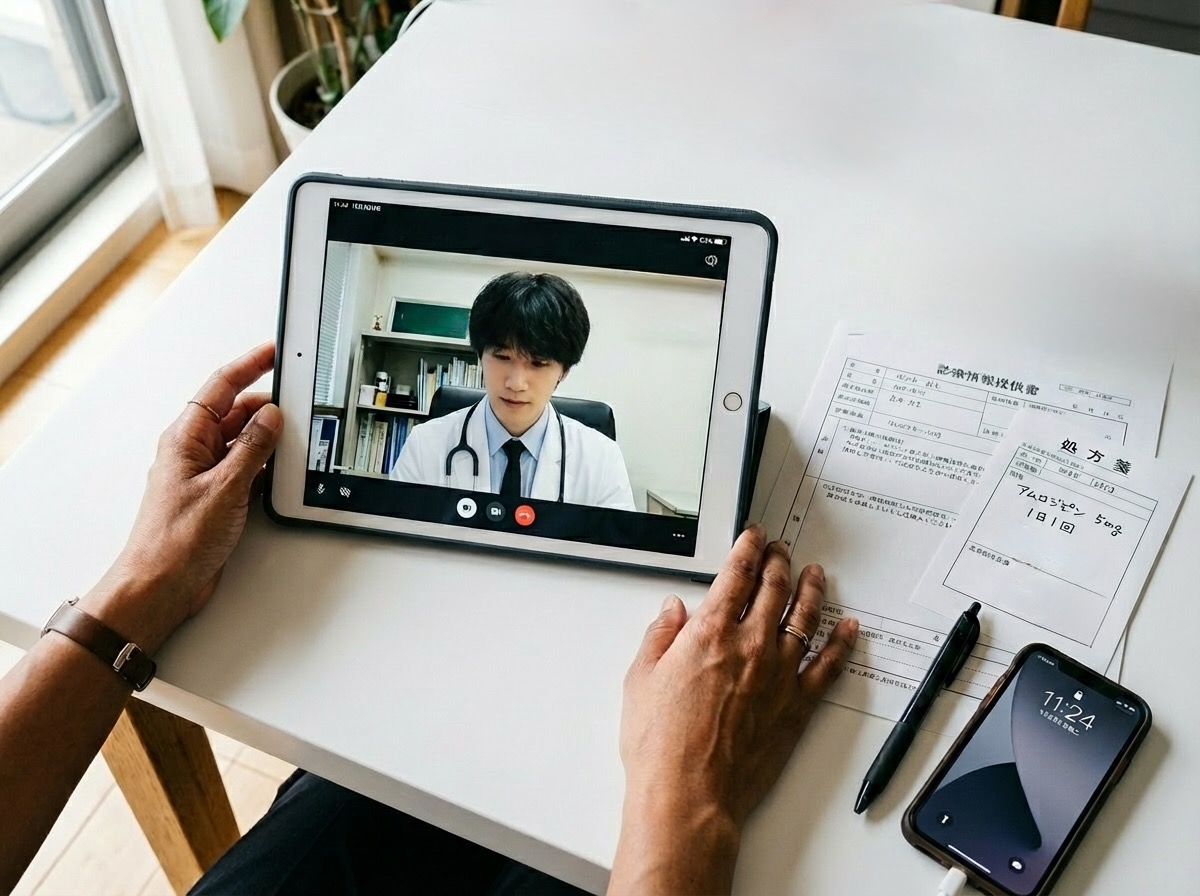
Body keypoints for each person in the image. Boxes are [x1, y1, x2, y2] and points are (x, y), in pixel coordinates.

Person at [0, 344, 859, 895]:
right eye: (503, 358)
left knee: (366, 783)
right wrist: (690, 801)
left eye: (543, 363)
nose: (519, 379)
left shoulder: (596, 455)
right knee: (570, 849)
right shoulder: (432, 437)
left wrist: (147, 580)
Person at [390, 272, 637, 511]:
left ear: (564, 371)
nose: (516, 383)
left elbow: (615, 551)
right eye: (502, 356)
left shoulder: (602, 459)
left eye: (538, 363)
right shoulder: (425, 444)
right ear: (479, 357)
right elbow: (396, 544)